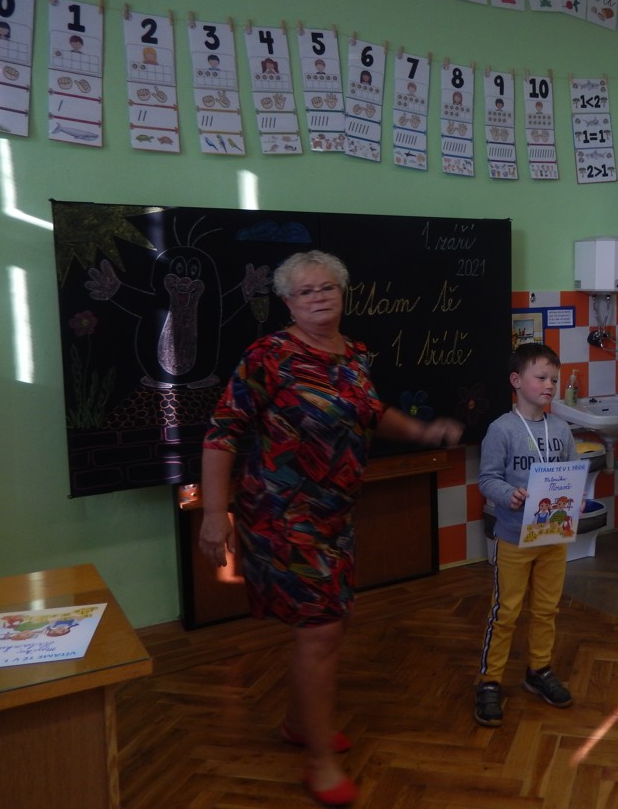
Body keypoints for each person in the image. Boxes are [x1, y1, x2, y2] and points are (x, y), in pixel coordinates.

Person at [199, 250, 462, 807]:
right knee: (319, 631)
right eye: (305, 291)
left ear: (342, 294)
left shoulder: (355, 355)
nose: (318, 297)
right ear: (287, 301)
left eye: (328, 288)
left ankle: (300, 723)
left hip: (334, 515)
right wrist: (214, 514)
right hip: (281, 517)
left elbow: (371, 412)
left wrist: (421, 432)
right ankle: (318, 761)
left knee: (330, 626)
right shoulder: (269, 356)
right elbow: (222, 432)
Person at [474, 343, 577, 727]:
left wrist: (575, 499)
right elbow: (487, 479)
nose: (550, 385)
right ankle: (489, 680)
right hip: (514, 538)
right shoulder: (502, 429)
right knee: (506, 612)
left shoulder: (561, 429)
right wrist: (509, 494)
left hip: (553, 539)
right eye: (541, 377)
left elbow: (570, 473)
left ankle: (539, 669)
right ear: (517, 381)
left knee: (547, 609)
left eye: (554, 379)